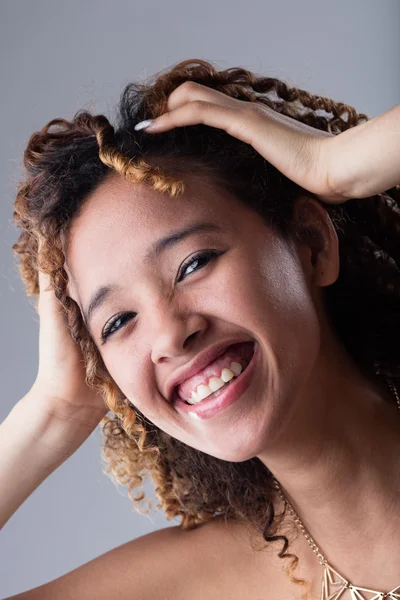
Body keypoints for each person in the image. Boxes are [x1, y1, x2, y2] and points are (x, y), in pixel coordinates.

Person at [2, 58, 400, 599]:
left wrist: (336, 165)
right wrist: (52, 414)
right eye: (118, 321)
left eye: (193, 264)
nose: (168, 336)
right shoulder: (199, 583)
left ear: (311, 243)